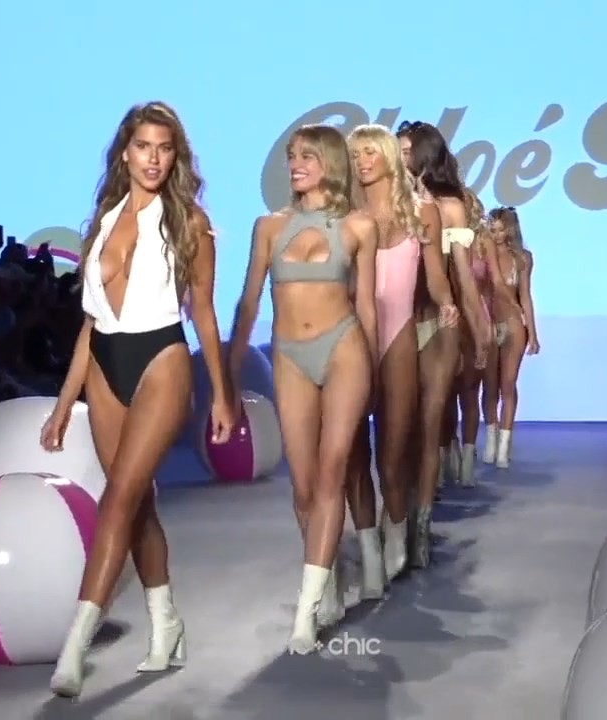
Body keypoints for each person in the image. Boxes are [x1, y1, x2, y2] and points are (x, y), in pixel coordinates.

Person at [46, 101, 234, 698]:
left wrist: (222, 395)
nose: (154, 158)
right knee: (137, 506)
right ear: (124, 154)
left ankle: (75, 647)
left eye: (165, 148)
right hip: (105, 360)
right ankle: (165, 621)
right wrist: (63, 403)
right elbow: (90, 321)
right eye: (144, 147)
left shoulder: (190, 222)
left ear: (175, 157)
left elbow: (203, 313)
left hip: (161, 358)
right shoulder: (103, 222)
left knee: (118, 497)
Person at [228, 123, 379, 652]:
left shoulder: (359, 226)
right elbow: (249, 301)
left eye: (307, 156)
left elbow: (365, 304)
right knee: (303, 486)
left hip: (344, 349)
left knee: (333, 470)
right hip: (289, 356)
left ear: (330, 163)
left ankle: (306, 609)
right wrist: (230, 368)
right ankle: (328, 576)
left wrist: (375, 373)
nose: (295, 164)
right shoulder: (269, 226)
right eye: (292, 156)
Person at [343, 124, 458, 595]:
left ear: (390, 156)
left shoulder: (422, 211)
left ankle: (398, 537)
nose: (362, 161)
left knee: (393, 452)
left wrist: (447, 303)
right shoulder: (346, 214)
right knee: (355, 453)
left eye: (370, 152)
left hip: (399, 334)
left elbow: (435, 277)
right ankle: (371, 545)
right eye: (355, 154)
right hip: (352, 336)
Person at [395, 120, 490, 567]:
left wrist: (481, 328)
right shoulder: (383, 206)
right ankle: (397, 521)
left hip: (441, 324)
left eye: (406, 151)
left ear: (425, 156)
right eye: (397, 150)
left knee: (430, 425)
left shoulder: (450, 208)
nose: (399, 157)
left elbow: (463, 278)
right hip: (399, 324)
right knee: (401, 429)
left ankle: (420, 528)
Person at [449, 190, 509, 486]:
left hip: (478, 318)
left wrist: (511, 313)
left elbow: (496, 281)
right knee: (445, 393)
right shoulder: (447, 237)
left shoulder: (484, 241)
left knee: (471, 391)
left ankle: (468, 461)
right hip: (450, 319)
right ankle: (447, 456)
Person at [479, 206, 540, 468]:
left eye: (500, 229)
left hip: (514, 325)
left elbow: (525, 296)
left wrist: (533, 333)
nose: (496, 234)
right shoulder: (482, 254)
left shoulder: (522, 258)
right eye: (492, 229)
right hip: (489, 323)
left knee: (508, 383)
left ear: (510, 230)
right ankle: (491, 441)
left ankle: (504, 446)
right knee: (489, 385)